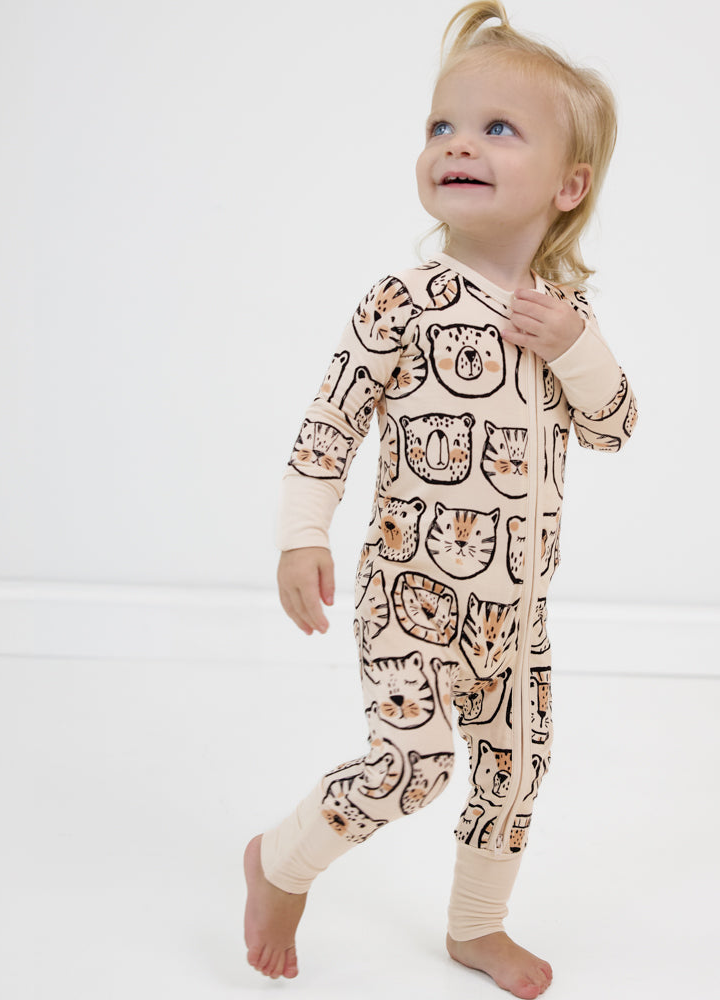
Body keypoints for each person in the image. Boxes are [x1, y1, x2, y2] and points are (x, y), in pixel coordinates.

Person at [243, 3, 637, 997]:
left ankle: (476, 927)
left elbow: (615, 424)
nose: (458, 143)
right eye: (441, 126)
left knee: (514, 775)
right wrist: (301, 535)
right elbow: (328, 425)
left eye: (498, 127)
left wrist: (574, 348)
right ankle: (277, 862)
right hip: (413, 601)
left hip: (516, 618)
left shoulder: (563, 317)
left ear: (567, 184)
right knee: (412, 765)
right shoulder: (403, 301)